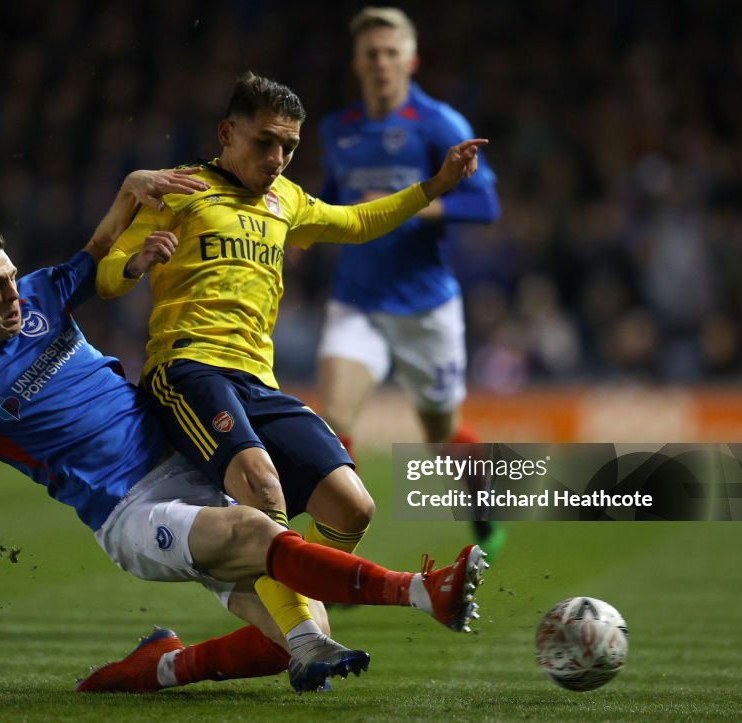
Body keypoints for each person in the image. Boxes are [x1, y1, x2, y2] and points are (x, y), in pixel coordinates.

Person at [0, 169, 489, 695]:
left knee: (293, 636)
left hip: (188, 462)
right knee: (261, 532)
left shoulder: (45, 296)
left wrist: (133, 198)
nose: (12, 295)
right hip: (131, 509)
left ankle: (157, 666)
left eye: (12, 279)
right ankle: (420, 592)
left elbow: (103, 251)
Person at [95, 71, 487, 658]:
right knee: (263, 489)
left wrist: (432, 187)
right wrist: (134, 262)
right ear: (227, 133)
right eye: (265, 142)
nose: (278, 157)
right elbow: (106, 275)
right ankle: (307, 642)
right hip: (189, 368)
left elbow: (356, 224)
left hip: (258, 381)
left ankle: (295, 614)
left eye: (289, 147)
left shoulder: (288, 201)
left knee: (352, 505)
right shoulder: (178, 189)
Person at [315, 7, 505, 558]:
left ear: (411, 60)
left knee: (443, 434)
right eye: (371, 54)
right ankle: (337, 558)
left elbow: (484, 202)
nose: (380, 63)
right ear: (357, 62)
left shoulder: (439, 124)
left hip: (425, 306)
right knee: (334, 422)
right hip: (358, 299)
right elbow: (332, 197)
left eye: (390, 53)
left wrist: (407, 206)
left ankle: (482, 504)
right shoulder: (337, 130)